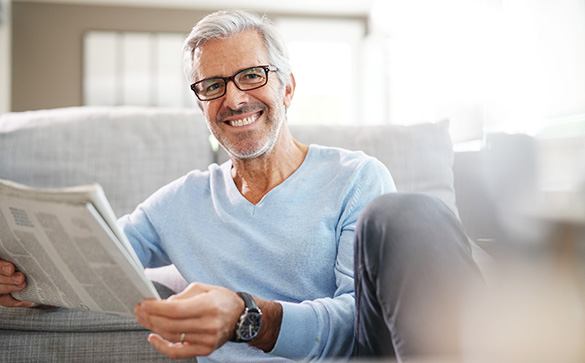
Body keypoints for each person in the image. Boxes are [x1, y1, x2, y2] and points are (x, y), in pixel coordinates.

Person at [0, 9, 481, 362]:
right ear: (201, 104)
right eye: (212, 85)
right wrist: (22, 280)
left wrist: (249, 316)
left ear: (287, 88)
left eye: (251, 76)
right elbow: (89, 256)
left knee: (408, 213)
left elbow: (359, 323)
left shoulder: (357, 177)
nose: (234, 98)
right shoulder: (178, 203)